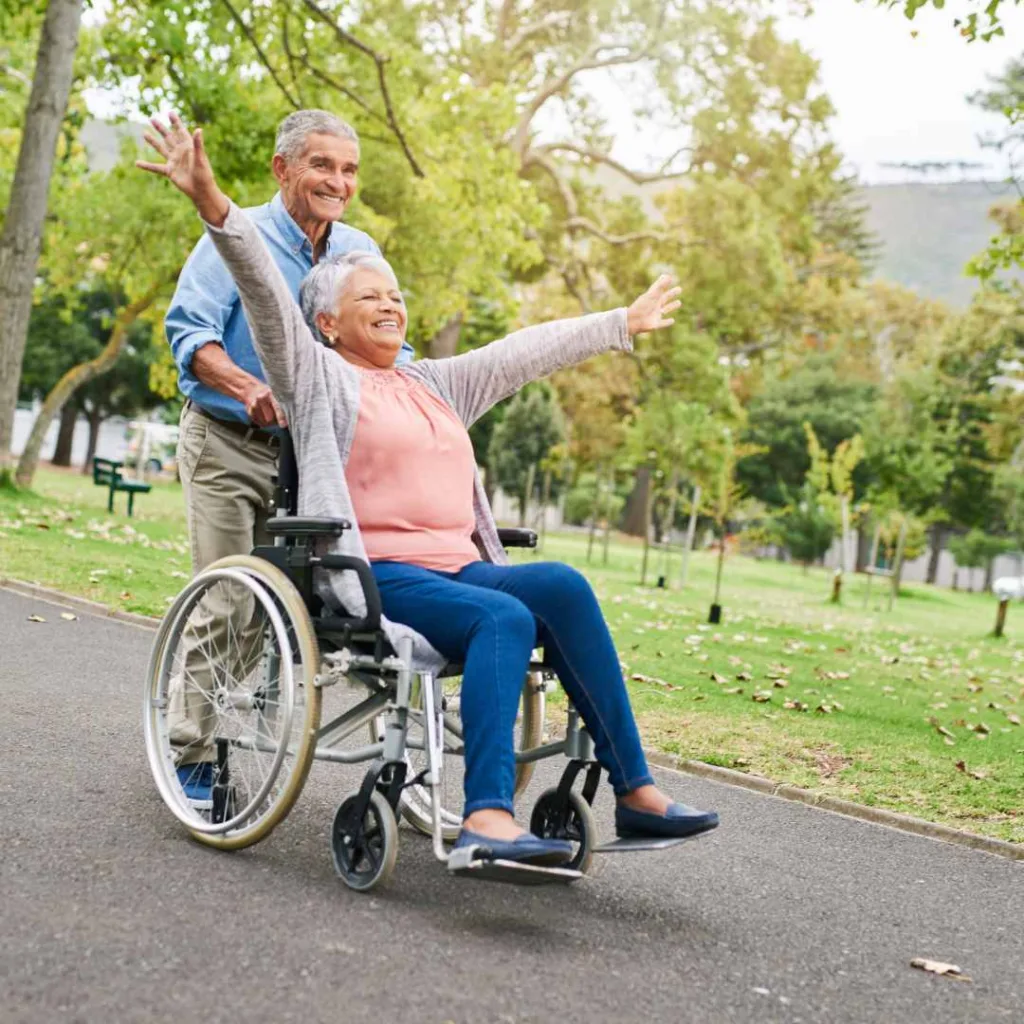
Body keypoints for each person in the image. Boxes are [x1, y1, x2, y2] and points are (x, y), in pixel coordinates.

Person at [139, 114, 720, 867]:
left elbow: (522, 352)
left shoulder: (433, 380)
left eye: (395, 296)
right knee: (502, 620)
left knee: (564, 588)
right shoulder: (319, 378)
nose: (389, 305)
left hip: (456, 565)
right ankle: (486, 819)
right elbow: (257, 283)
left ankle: (636, 792)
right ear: (324, 321)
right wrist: (212, 201)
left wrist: (622, 322)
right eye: (368, 299)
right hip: (380, 574)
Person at [164, 110, 413, 797]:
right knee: (227, 600)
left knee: (290, 609)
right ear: (283, 169)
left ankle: (231, 724)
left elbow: (388, 339)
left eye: (350, 169)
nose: (339, 181)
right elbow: (190, 334)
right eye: (323, 165)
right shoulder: (236, 234)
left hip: (314, 460)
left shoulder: (358, 248)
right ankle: (188, 750)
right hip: (229, 442)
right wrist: (249, 387)